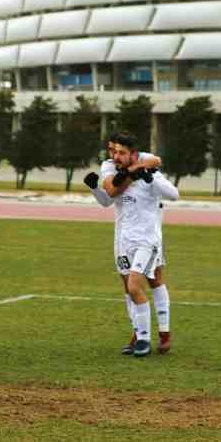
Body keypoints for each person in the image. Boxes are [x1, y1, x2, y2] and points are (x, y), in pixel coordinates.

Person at [83, 132, 179, 357]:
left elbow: (169, 185)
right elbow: (111, 193)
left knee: (153, 281)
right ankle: (138, 333)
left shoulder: (147, 164)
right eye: (111, 150)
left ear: (133, 153)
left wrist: (147, 172)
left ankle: (162, 333)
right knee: (129, 288)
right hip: (123, 238)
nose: (114, 155)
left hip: (149, 237)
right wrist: (97, 188)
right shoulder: (109, 166)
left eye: (119, 151)